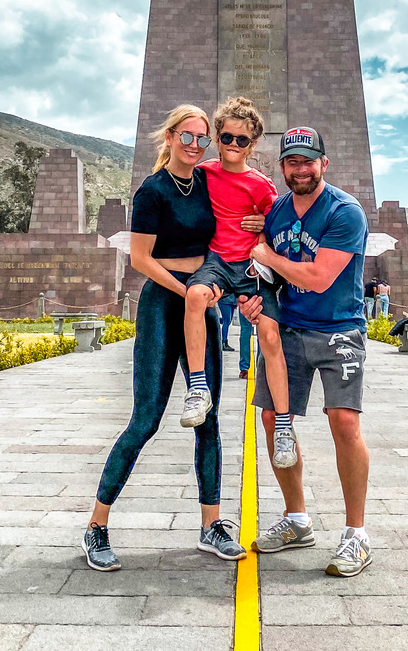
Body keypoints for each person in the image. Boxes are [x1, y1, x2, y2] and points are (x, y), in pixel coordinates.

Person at [81, 104, 246, 571]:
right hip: (164, 302)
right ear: (170, 137)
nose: (196, 145)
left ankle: (211, 525)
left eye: (203, 139)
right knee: (146, 420)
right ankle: (97, 526)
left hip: (202, 302)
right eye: (188, 136)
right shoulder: (151, 191)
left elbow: (233, 221)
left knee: (209, 417)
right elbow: (140, 259)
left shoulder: (208, 182)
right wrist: (190, 289)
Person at [239, 125, 372, 577]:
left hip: (339, 329)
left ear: (323, 164)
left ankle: (356, 534)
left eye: (308, 161)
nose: (300, 169)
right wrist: (252, 299)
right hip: (290, 330)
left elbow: (317, 277)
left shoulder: (344, 212)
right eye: (292, 162)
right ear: (282, 168)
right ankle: (297, 519)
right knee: (273, 417)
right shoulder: (275, 211)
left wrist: (267, 254)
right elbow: (268, 276)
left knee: (344, 422)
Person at [182, 96, 297, 468]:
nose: (233, 145)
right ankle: (198, 388)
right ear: (217, 138)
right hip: (216, 261)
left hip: (250, 268)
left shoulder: (262, 185)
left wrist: (265, 226)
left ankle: (283, 426)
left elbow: (282, 225)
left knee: (270, 335)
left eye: (241, 140)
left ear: (254, 143)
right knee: (196, 296)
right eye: (227, 137)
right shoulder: (203, 174)